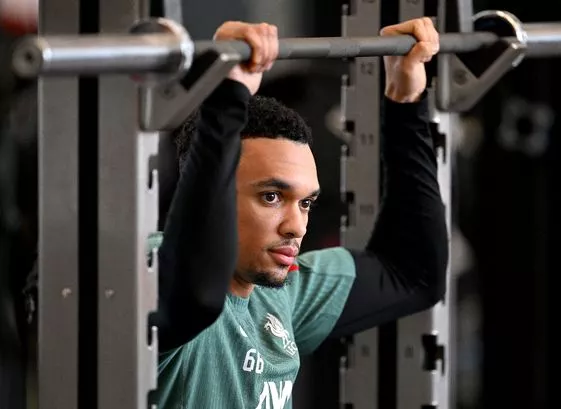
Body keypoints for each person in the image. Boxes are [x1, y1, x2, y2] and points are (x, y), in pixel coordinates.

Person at [151, 17, 447, 409]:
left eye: (306, 203)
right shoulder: (150, 274)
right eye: (272, 197)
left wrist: (407, 104)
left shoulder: (278, 293)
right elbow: (197, 293)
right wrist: (226, 97)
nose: (297, 227)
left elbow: (414, 274)